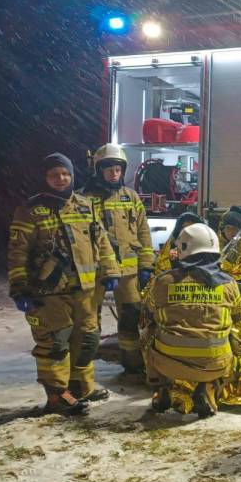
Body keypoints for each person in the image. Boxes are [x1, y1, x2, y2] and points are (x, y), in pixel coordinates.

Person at [7, 153, 120, 414]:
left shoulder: (85, 205)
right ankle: (57, 396)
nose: (61, 179)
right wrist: (19, 288)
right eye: (54, 175)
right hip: (49, 293)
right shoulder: (30, 211)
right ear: (44, 178)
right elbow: (17, 252)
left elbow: (101, 241)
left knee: (87, 339)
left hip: (85, 290)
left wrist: (111, 271)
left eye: (65, 174)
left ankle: (81, 387)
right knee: (55, 344)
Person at [143, 223, 241, 418]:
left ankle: (161, 388)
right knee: (235, 336)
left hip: (167, 363)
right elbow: (238, 316)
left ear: (183, 250)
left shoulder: (163, 281)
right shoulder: (228, 283)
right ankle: (209, 387)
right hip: (215, 364)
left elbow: (148, 311)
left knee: (147, 332)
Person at [80, 144, 154, 378]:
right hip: (97, 271)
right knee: (89, 318)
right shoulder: (84, 199)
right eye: (109, 169)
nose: (114, 174)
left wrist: (146, 265)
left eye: (118, 169)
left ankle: (132, 363)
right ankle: (83, 368)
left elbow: (143, 232)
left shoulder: (130, 197)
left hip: (128, 272)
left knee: (131, 315)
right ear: (98, 170)